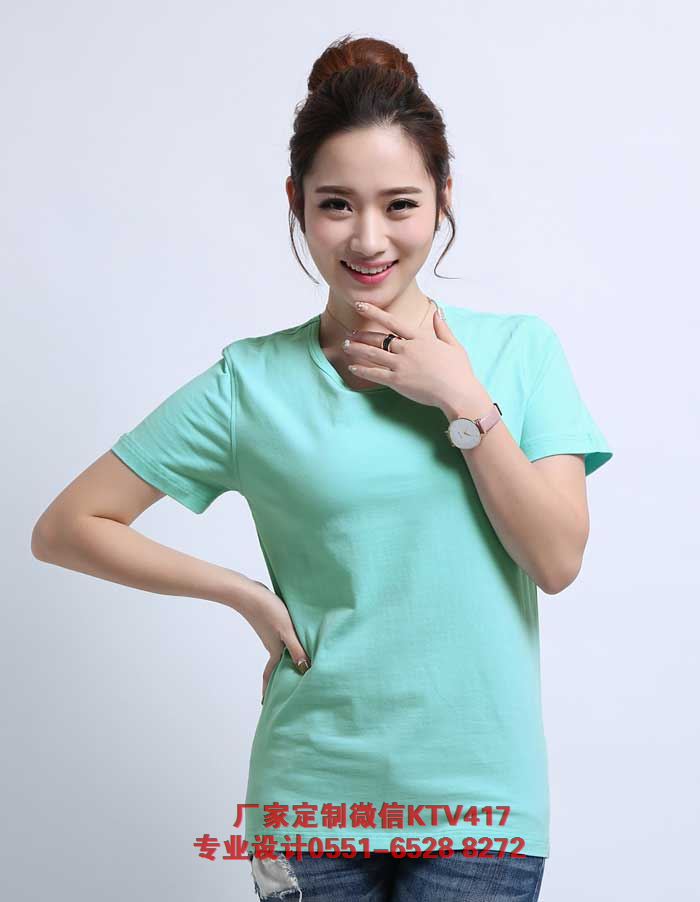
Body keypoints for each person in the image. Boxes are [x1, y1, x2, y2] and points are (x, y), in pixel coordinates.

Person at [31, 33, 613, 902]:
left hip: (481, 812)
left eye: (400, 204)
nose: (368, 239)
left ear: (444, 198)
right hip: (311, 808)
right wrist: (243, 594)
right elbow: (67, 527)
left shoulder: (519, 355)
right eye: (336, 205)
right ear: (296, 203)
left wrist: (460, 398)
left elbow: (557, 560)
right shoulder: (251, 383)